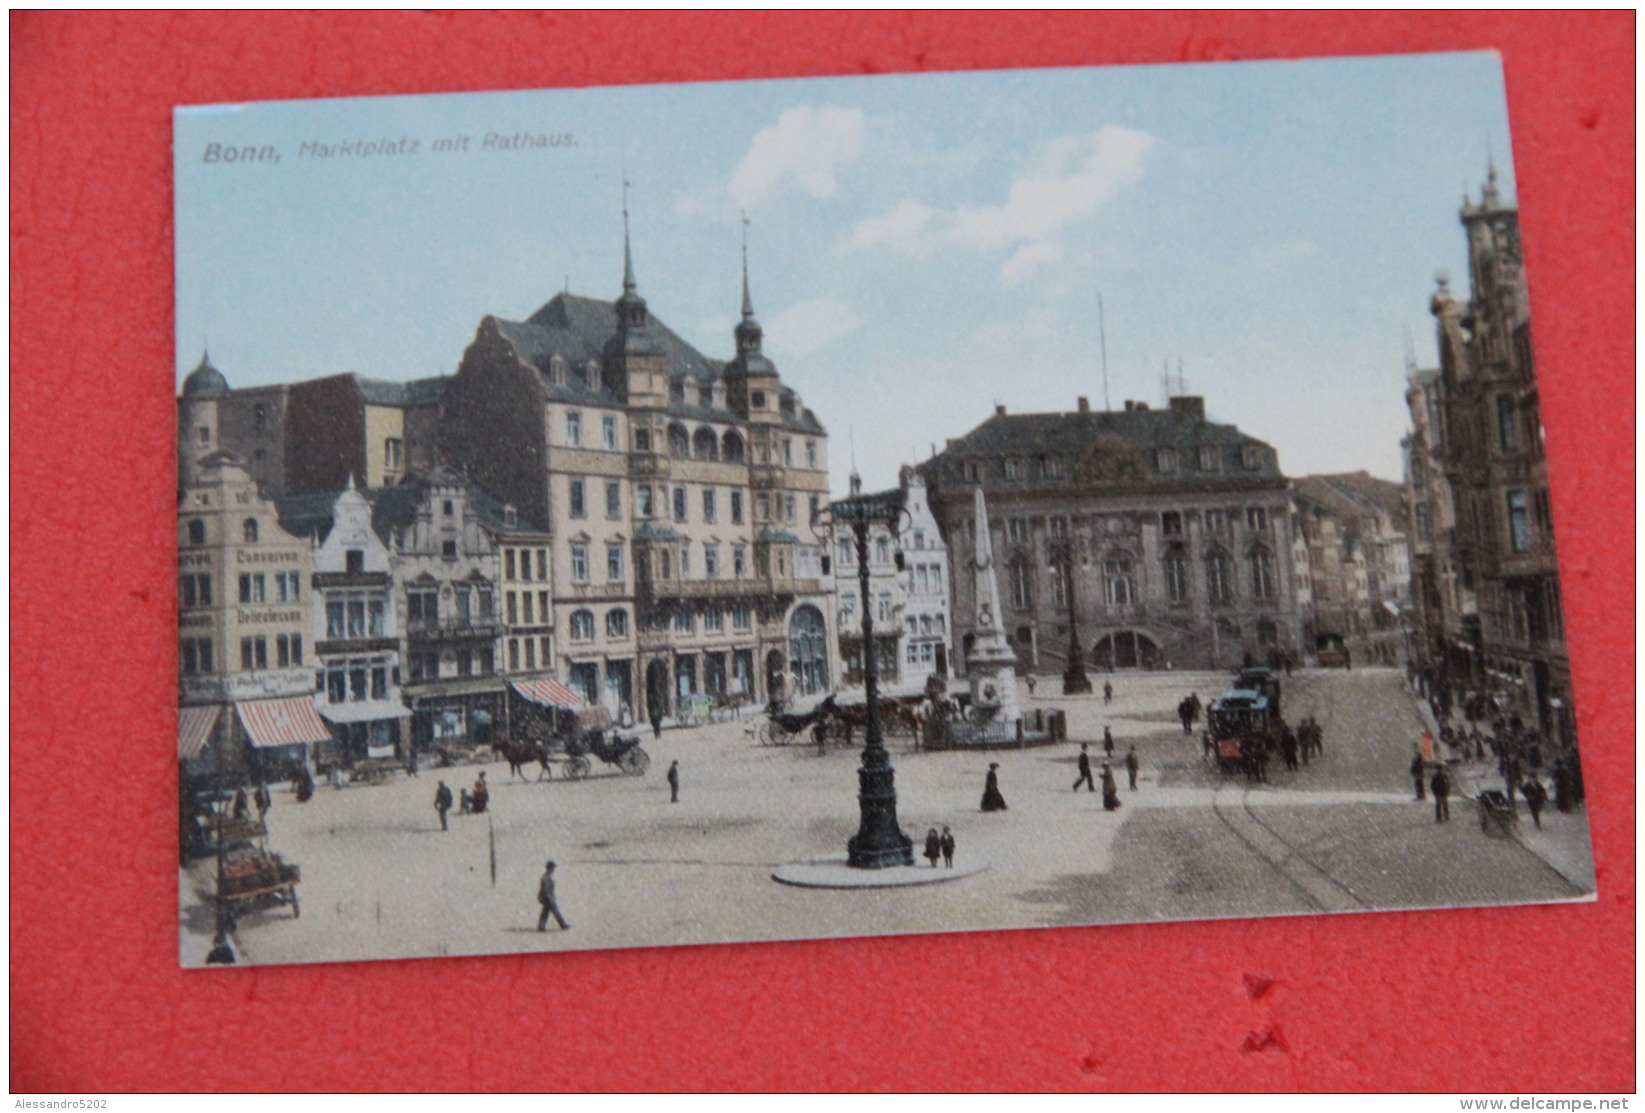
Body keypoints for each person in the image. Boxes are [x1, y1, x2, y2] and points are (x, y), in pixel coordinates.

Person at [536, 860, 569, 932]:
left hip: (548, 897)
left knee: (545, 912)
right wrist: (550, 897)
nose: (553, 869)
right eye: (552, 868)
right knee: (555, 911)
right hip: (547, 897)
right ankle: (563, 925)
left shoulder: (547, 876)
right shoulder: (546, 877)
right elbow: (545, 889)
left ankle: (541, 927)